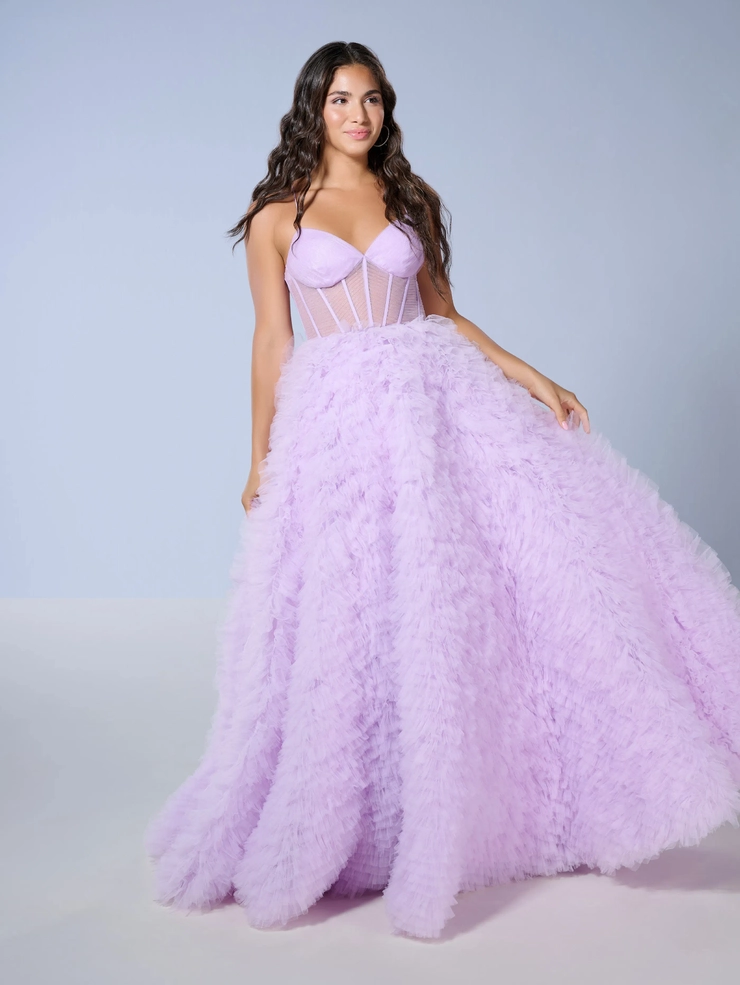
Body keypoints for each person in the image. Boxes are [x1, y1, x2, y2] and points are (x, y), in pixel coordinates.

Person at [144, 40, 740, 940]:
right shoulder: (277, 216)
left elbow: (444, 314)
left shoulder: (407, 197)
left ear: (386, 110)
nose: (358, 115)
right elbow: (272, 342)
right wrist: (259, 455)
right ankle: (359, 813)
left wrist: (530, 375)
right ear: (313, 109)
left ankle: (479, 795)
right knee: (352, 607)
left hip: (431, 407)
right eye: (341, 100)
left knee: (468, 589)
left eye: (372, 99)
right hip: (338, 422)